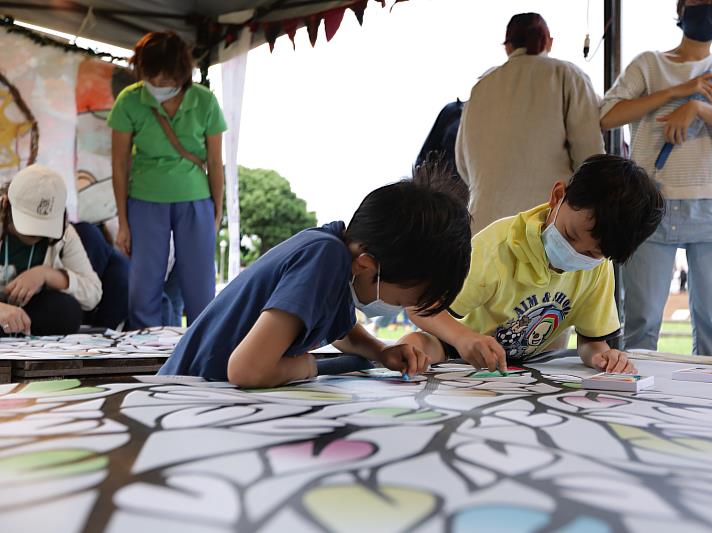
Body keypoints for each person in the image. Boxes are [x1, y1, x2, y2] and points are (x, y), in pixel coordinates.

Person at [158, 164, 472, 387]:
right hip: (189, 391)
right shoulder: (323, 258)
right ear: (367, 266)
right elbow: (248, 370)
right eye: (404, 300)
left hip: (207, 390)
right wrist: (305, 366)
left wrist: (382, 351)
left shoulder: (336, 255)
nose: (400, 308)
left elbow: (344, 333)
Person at [600, 0, 712, 356]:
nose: (705, 8)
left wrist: (699, 107)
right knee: (640, 326)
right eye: (697, 0)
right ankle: (636, 406)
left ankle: (707, 410)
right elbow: (607, 116)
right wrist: (677, 92)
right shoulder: (648, 63)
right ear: (681, 6)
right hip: (648, 206)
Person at [400, 155, 664, 374]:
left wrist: (602, 357)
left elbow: (591, 342)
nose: (574, 253)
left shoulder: (597, 269)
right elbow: (420, 307)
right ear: (557, 196)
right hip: (455, 345)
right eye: (570, 236)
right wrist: (462, 338)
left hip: (524, 369)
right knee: (418, 347)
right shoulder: (498, 247)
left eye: (591, 253)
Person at [108, 31, 226, 329]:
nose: (159, 83)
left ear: (181, 73)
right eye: (152, 76)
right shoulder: (129, 100)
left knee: (200, 286)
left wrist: (217, 210)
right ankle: (142, 354)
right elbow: (120, 163)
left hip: (196, 198)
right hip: (145, 200)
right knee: (143, 286)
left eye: (167, 78)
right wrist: (122, 221)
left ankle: (204, 348)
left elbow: (214, 162)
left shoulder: (204, 100)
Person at [456, 12, 605, 234]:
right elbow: (591, 162)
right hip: (544, 226)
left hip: (484, 229)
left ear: (507, 47)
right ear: (548, 41)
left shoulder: (480, 87)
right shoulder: (568, 75)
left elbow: (463, 165)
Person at [0, 165, 101, 336]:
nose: (37, 235)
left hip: (27, 316)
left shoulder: (65, 234)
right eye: (28, 226)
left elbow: (93, 294)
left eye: (43, 228)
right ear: (6, 205)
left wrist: (47, 274)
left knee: (66, 311)